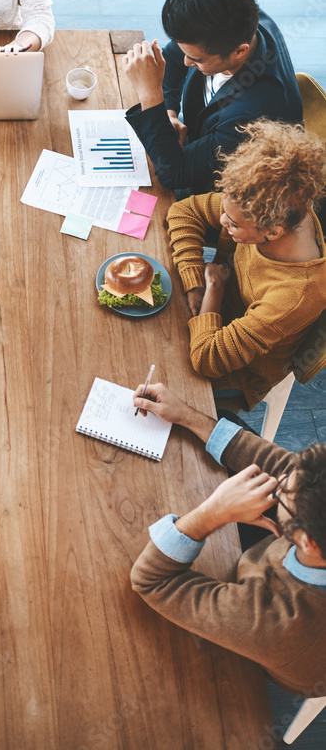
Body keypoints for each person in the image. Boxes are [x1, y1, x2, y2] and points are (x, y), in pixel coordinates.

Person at [129, 381, 326, 697]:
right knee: (223, 420)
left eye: (283, 493)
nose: (278, 482)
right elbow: (287, 470)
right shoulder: (315, 523)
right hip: (277, 563)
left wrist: (213, 512)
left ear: (306, 541)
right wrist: (187, 416)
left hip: (281, 651)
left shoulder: (276, 624)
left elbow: (151, 582)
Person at [167, 119, 326, 411]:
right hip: (209, 309)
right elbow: (183, 210)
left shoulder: (294, 296)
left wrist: (213, 288)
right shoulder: (262, 204)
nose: (223, 223)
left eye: (233, 224)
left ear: (273, 232)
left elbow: (206, 359)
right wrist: (195, 283)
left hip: (237, 375)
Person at [123, 0, 302, 194]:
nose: (186, 61)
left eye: (197, 59)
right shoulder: (238, 20)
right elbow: (175, 59)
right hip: (203, 139)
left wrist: (150, 93)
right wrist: (169, 112)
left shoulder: (249, 118)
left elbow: (174, 173)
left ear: (239, 51)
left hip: (231, 195)